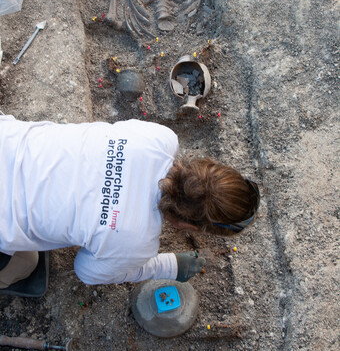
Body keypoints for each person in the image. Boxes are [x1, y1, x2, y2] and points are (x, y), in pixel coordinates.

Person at [0, 114, 260, 289]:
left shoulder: (160, 139)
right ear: (190, 225)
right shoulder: (136, 242)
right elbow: (85, 272)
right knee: (26, 262)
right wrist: (166, 265)